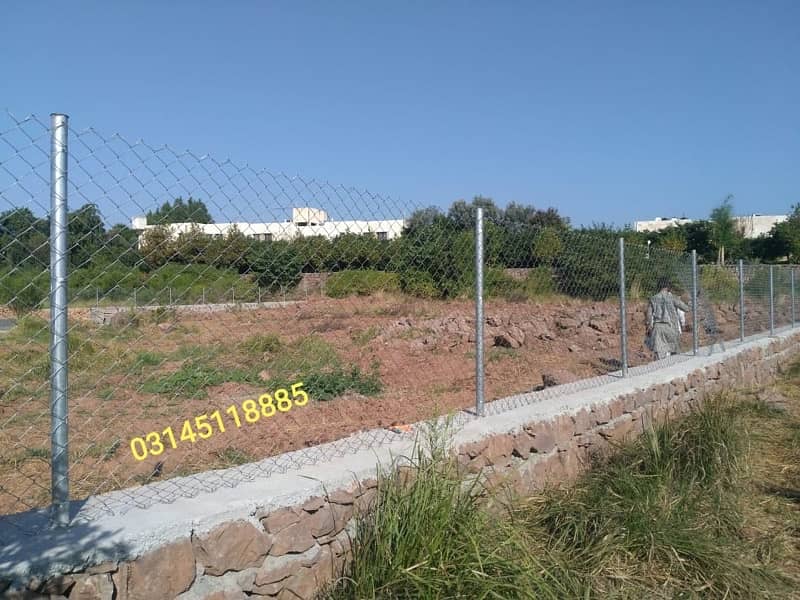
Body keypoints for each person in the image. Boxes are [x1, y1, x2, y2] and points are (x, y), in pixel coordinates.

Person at [645, 278, 691, 360]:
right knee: (675, 352)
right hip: (671, 327)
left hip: (658, 327)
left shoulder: (653, 298)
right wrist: (688, 302)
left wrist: (649, 325)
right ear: (668, 287)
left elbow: (649, 315)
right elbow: (686, 309)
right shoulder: (673, 298)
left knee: (660, 354)